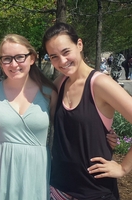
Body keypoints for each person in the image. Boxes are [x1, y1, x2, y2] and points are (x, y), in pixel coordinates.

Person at [42, 22, 124, 199]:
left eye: (66, 52)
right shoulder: (59, 84)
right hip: (59, 189)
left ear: (79, 45)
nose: (62, 61)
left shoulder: (100, 84)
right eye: (54, 56)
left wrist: (123, 168)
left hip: (96, 191)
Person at [0, 34, 58, 200]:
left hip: (35, 171)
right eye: (7, 59)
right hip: (0, 171)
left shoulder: (49, 93)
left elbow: (65, 131)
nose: (14, 64)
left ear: (32, 58)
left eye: (19, 57)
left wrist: (106, 135)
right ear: (1, 63)